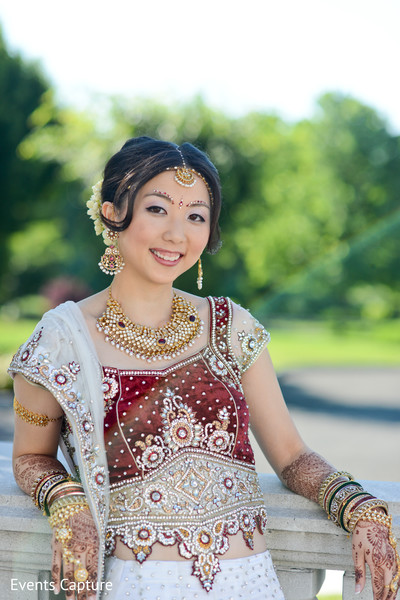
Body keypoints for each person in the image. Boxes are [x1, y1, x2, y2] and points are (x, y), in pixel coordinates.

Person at [9, 136, 399, 600]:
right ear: (112, 212)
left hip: (251, 584)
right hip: (138, 585)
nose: (177, 234)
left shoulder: (230, 326)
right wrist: (65, 499)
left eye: (196, 215)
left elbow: (292, 458)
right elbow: (30, 456)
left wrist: (357, 506)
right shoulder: (62, 339)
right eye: (157, 209)